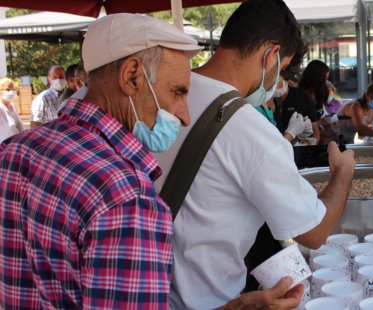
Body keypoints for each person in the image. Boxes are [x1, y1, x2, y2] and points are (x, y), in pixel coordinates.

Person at [0, 13, 302, 310]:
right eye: (178, 92)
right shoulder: (127, 198)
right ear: (132, 76)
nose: (184, 116)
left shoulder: (13, 150)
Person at [151, 1, 355, 308]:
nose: (276, 81)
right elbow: (315, 232)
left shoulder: (156, 94)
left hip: (144, 290)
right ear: (271, 55)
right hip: (208, 301)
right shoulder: (249, 129)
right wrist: (343, 172)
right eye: (282, 69)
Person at [274, 74, 320, 142]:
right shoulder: (264, 100)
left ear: (287, 81)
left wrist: (310, 145)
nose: (274, 85)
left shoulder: (302, 97)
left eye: (278, 82)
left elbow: (315, 132)